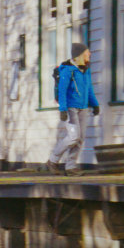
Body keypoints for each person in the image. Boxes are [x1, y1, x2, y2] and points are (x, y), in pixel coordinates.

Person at [47, 42, 100, 175]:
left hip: (83, 108)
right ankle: (53, 160)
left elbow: (89, 90)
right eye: (87, 52)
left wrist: (95, 104)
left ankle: (70, 167)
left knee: (80, 138)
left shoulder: (85, 70)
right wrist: (63, 109)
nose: (90, 54)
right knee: (73, 137)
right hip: (70, 109)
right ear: (80, 55)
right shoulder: (68, 70)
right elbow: (62, 91)